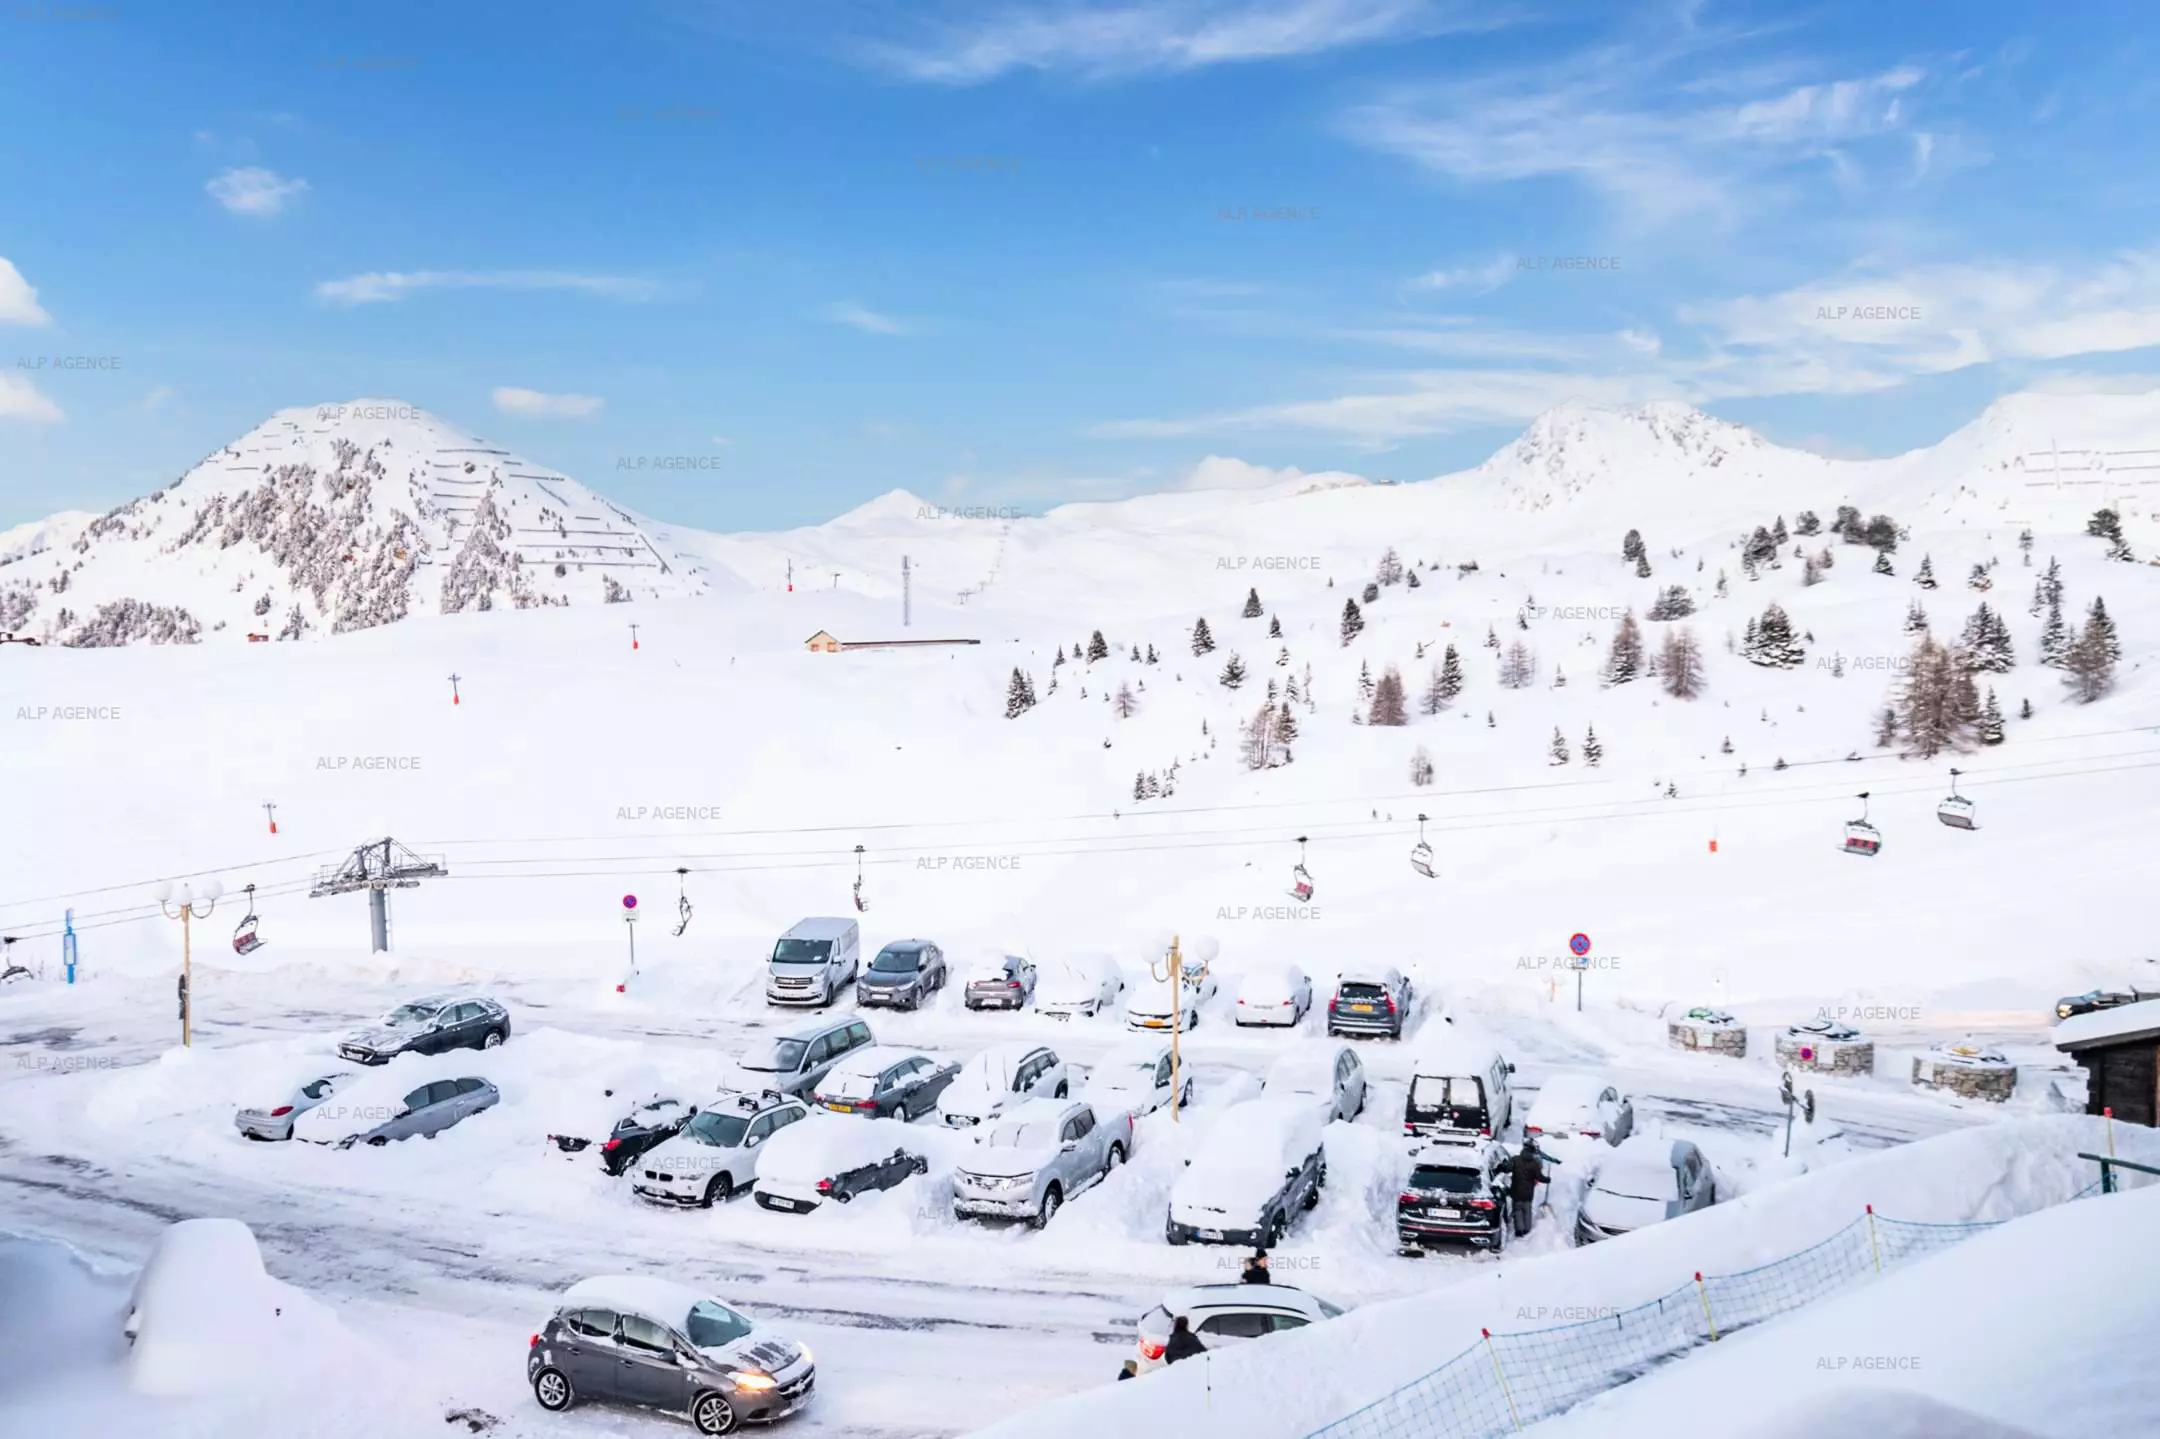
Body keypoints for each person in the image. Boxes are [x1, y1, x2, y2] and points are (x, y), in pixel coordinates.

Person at [1509, 1135, 1548, 1238]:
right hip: (1528, 1192)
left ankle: (1519, 1230)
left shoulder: (1515, 1159)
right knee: (1527, 1210)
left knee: (1517, 1210)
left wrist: (1502, 1166)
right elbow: (1540, 1177)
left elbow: (1507, 1168)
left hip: (1516, 1191)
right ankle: (1527, 1229)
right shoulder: (1535, 1164)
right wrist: (1547, 1179)